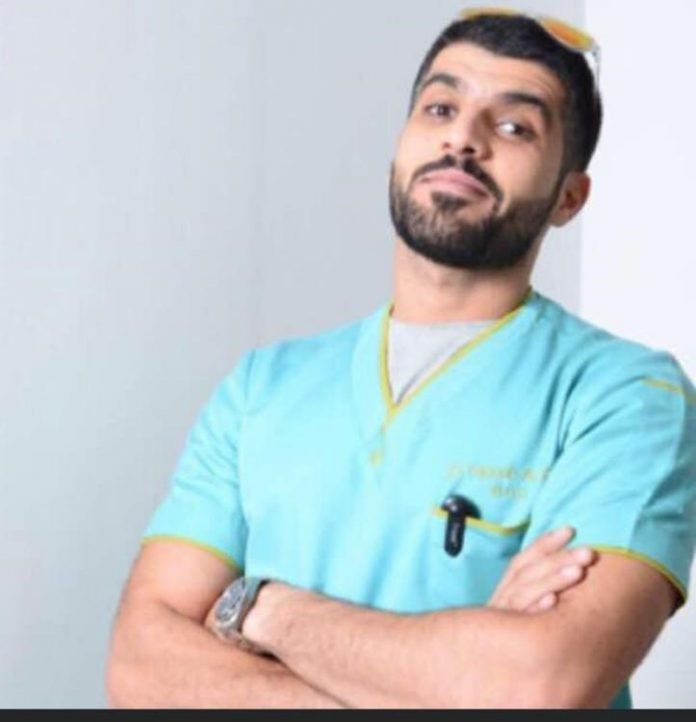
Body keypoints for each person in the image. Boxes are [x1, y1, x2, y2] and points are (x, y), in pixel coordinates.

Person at [106, 9, 696, 709]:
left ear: (569, 197)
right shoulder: (261, 389)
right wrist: (450, 677)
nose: (463, 138)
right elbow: (139, 667)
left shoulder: (627, 398)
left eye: (515, 126)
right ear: (399, 148)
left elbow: (537, 685)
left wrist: (259, 607)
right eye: (440, 108)